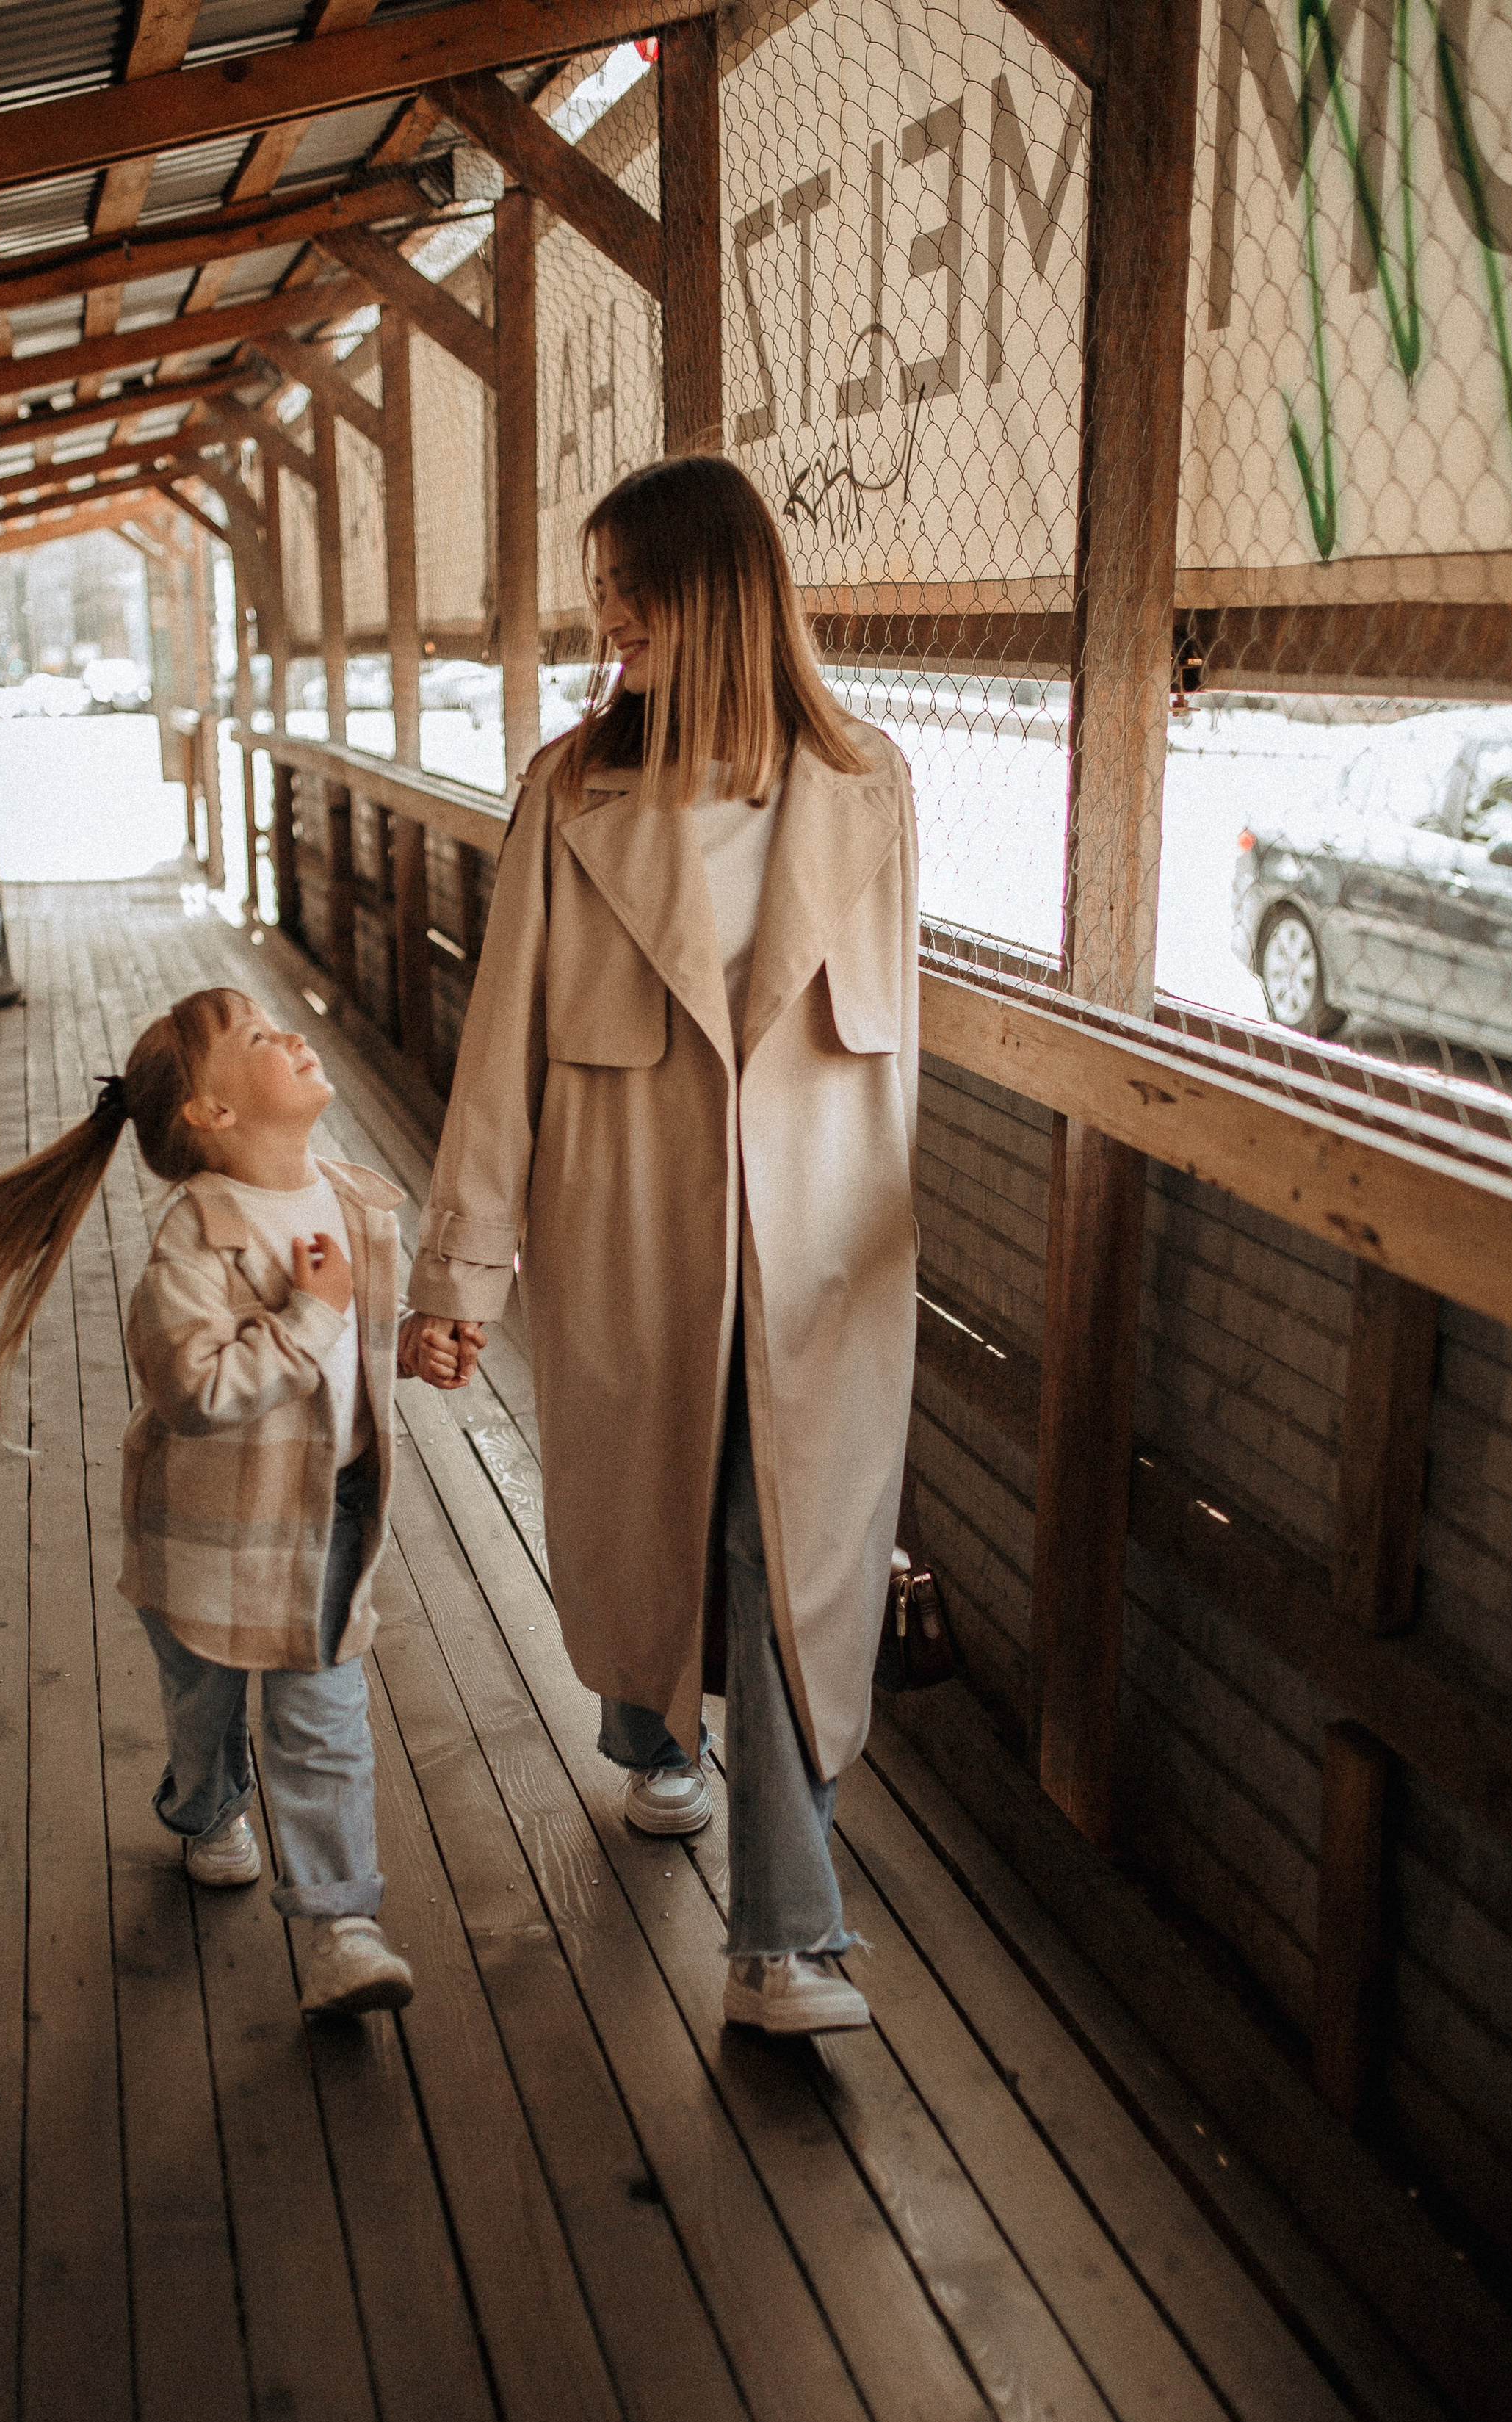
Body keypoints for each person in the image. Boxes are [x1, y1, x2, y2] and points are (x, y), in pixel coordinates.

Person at [405, 454, 920, 2036]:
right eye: (601, 589)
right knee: (652, 1502)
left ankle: (781, 1942)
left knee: (790, 1555)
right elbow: (497, 1049)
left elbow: (898, 1050)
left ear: (719, 590)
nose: (605, 619)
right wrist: (460, 1280)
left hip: (822, 1254)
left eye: (631, 587)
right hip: (627, 1233)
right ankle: (651, 1739)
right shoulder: (570, 793)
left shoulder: (870, 782)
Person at [0, 986, 454, 2020]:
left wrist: (410, 1341)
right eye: (254, 1038)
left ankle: (343, 1927)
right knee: (208, 1714)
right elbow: (195, 1391)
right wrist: (307, 1316)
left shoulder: (351, 1201)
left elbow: (355, 1342)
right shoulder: (193, 1246)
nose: (289, 1034)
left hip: (325, 1518)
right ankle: (204, 1810)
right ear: (211, 1115)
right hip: (206, 1538)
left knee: (323, 1720)